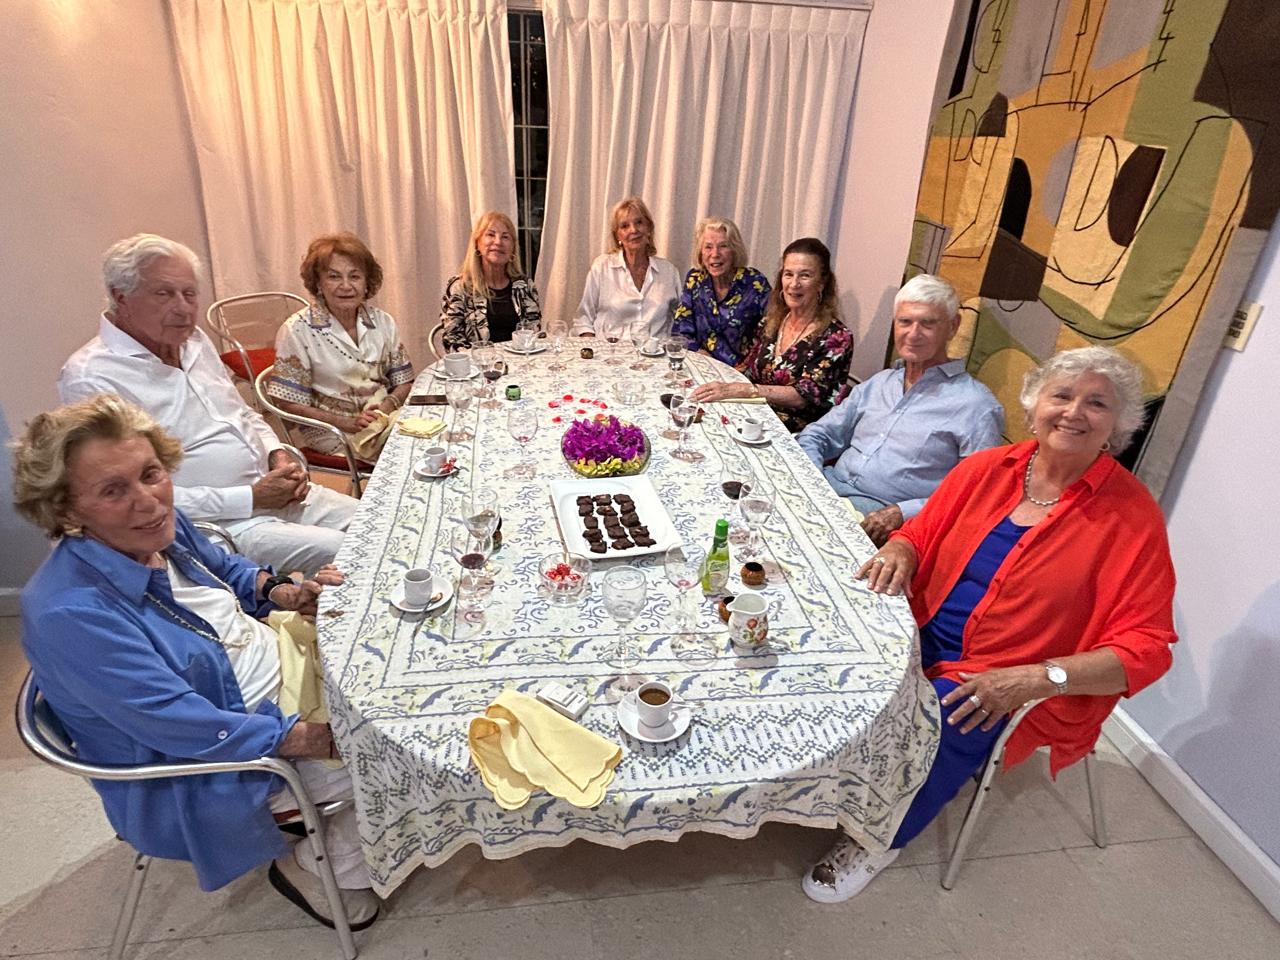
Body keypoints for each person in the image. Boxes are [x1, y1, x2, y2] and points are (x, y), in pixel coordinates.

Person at [802, 346, 1177, 903]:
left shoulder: (1131, 515)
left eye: (1097, 403)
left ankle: (879, 837)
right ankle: (829, 781)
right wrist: (902, 548)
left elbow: (1148, 648)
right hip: (915, 624)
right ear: (1034, 406)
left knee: (945, 716)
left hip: (1003, 673)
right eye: (1062, 395)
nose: (1074, 411)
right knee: (825, 646)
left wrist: (1038, 679)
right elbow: (921, 530)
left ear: (1117, 426)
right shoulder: (988, 469)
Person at [13, 394, 379, 928]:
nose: (148, 502)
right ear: (66, 510)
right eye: (113, 490)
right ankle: (320, 867)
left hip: (284, 663)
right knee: (398, 749)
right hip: (218, 756)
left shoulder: (159, 526)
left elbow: (225, 570)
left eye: (151, 474)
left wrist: (277, 591)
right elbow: (183, 725)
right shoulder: (70, 613)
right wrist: (318, 739)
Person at [59, 233, 357, 577]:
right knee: (348, 552)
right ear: (120, 296)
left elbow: (242, 413)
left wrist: (277, 453)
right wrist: (250, 498)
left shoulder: (195, 342)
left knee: (381, 521)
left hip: (277, 493)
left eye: (189, 294)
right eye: (164, 294)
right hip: (219, 526)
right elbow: (131, 498)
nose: (183, 308)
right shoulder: (92, 376)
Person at [797, 274, 1004, 545]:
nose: (913, 334)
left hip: (884, 523)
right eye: (905, 322)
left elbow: (973, 496)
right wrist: (810, 479)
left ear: (953, 326)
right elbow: (818, 434)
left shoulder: (977, 406)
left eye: (928, 323)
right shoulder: (880, 383)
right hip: (826, 489)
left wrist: (901, 512)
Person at [267, 233, 414, 459]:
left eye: (354, 276)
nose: (346, 286)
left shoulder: (383, 322)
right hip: (333, 431)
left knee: (434, 440)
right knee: (409, 456)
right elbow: (285, 402)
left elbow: (404, 382)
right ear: (318, 283)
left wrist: (385, 408)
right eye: (334, 277)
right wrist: (346, 422)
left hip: (385, 419)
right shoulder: (297, 330)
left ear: (367, 283)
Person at [690, 237, 853, 432]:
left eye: (805, 275)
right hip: (753, 417)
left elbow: (804, 397)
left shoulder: (837, 337)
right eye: (788, 274)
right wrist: (711, 381)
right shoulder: (772, 322)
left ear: (822, 283)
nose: (794, 284)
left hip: (797, 433)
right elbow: (746, 367)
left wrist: (745, 390)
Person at [571, 196, 681, 340]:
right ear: (617, 236)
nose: (633, 230)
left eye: (639, 222)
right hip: (610, 351)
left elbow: (682, 320)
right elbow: (583, 320)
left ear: (649, 228)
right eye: (624, 226)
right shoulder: (602, 268)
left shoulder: (669, 271)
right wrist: (593, 348)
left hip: (655, 352)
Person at [670, 217, 771, 365]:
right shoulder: (695, 280)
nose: (715, 254)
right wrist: (700, 354)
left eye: (723, 246)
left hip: (742, 371)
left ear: (734, 250)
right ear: (700, 252)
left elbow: (770, 334)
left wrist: (746, 366)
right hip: (703, 365)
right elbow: (680, 331)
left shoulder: (755, 283)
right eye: (708, 247)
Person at [440, 212, 542, 349]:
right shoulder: (460, 287)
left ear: (513, 248)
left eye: (505, 237)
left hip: (521, 359)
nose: (498, 242)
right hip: (477, 360)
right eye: (490, 235)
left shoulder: (525, 286)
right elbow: (452, 339)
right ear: (477, 243)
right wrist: (484, 358)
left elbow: (533, 333)